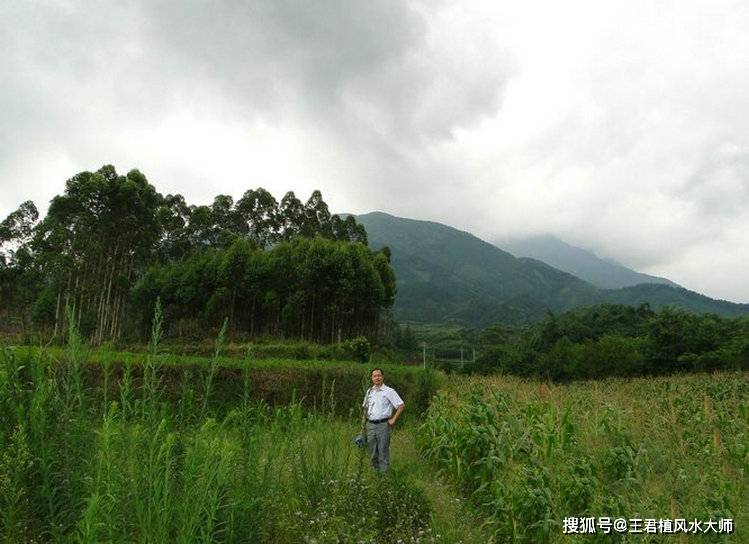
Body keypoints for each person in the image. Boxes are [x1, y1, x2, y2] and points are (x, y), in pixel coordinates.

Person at [362, 368, 404, 473]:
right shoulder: (369, 391)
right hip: (370, 425)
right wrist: (363, 427)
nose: (377, 377)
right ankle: (376, 475)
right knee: (372, 452)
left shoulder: (389, 391)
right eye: (374, 376)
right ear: (372, 378)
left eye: (379, 375)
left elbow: (401, 405)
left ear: (382, 377)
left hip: (383, 425)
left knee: (383, 452)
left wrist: (393, 419)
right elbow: (365, 409)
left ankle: (384, 478)